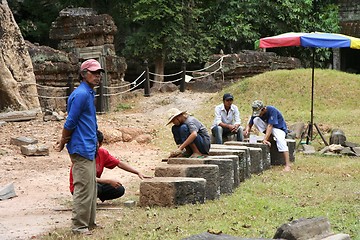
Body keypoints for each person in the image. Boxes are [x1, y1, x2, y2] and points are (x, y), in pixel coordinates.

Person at [54, 59, 104, 235]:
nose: (97, 76)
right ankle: (79, 226)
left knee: (91, 186)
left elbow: (89, 120)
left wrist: (96, 138)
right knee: (83, 187)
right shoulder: (81, 94)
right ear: (83, 74)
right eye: (93, 72)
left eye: (99, 73)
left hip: (89, 146)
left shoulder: (89, 93)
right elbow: (71, 121)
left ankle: (89, 223)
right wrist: (63, 140)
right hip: (81, 146)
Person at [69, 130, 152, 202]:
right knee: (95, 187)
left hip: (95, 183)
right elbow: (86, 178)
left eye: (95, 144)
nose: (92, 146)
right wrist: (108, 181)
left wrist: (137, 172)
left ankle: (94, 197)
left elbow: (119, 163)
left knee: (119, 189)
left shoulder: (102, 153)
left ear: (100, 144)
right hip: (80, 185)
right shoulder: (82, 155)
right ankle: (86, 199)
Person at [244, 100, 291, 172]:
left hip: (278, 128)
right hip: (269, 128)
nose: (259, 114)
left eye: (259, 113)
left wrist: (265, 139)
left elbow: (270, 126)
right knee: (256, 120)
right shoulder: (256, 113)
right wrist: (247, 130)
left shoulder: (272, 110)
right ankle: (270, 137)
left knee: (280, 140)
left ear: (263, 109)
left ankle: (288, 165)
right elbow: (250, 123)